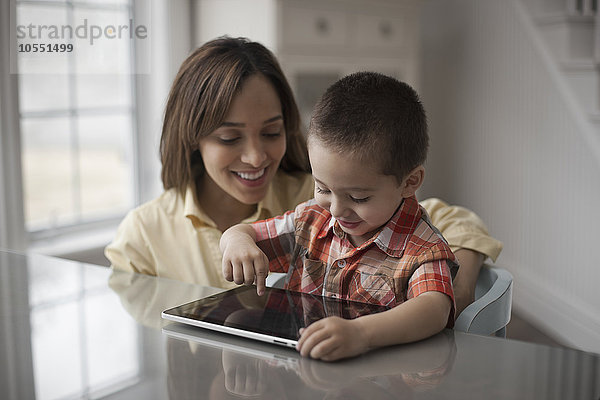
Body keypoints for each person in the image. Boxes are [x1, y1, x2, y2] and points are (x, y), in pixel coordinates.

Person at [104, 37, 502, 316]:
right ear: (193, 138)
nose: (257, 156)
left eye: (273, 132)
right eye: (229, 137)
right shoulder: (144, 234)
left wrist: (453, 288)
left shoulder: (317, 200)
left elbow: (449, 221)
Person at [220, 72, 457, 361]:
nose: (335, 210)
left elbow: (433, 309)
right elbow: (245, 234)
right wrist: (235, 241)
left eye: (358, 198)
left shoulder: (423, 249)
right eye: (323, 188)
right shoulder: (310, 220)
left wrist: (361, 334)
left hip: (379, 381)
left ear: (409, 182)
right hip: (304, 372)